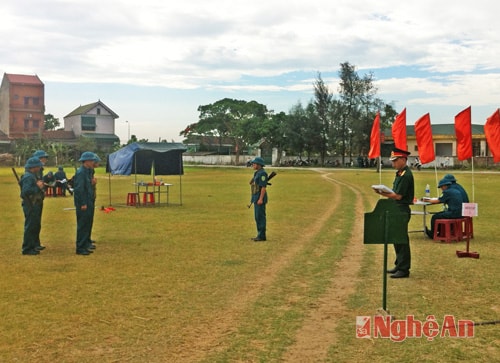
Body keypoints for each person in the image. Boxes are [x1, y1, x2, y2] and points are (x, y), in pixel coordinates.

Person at [374, 147, 414, 278]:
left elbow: (398, 196)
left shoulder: (405, 175)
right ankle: (399, 264)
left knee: (401, 239)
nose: (393, 163)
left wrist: (383, 193)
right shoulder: (400, 173)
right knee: (396, 239)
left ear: (403, 159)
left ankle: (404, 269)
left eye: (395, 161)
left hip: (401, 209)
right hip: (397, 209)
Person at [19, 157, 45, 255]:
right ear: (33, 167)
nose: (39, 168)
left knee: (35, 225)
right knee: (30, 226)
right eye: (38, 166)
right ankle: (27, 248)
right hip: (30, 204)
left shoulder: (32, 176)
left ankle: (33, 246)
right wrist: (37, 187)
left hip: (34, 203)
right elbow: (26, 191)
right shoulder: (28, 177)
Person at [74, 151, 97, 255]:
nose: (93, 162)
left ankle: (86, 244)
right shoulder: (81, 173)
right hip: (84, 202)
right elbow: (79, 190)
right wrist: (83, 203)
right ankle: (80, 247)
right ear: (86, 161)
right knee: (83, 225)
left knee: (88, 223)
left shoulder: (87, 171)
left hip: (89, 200)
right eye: (92, 160)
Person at [32, 150, 49, 250]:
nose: (45, 160)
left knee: (37, 223)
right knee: (33, 223)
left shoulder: (40, 170)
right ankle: (32, 244)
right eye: (44, 158)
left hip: (39, 197)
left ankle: (36, 243)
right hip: (33, 199)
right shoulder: (33, 170)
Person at [249, 157, 268, 242]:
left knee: (260, 217)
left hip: (260, 198)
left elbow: (263, 187)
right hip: (256, 197)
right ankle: (259, 234)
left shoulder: (263, 174)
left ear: (259, 165)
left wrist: (260, 199)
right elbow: (252, 183)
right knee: (257, 217)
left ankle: (261, 235)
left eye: (254, 164)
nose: (253, 165)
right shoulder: (257, 173)